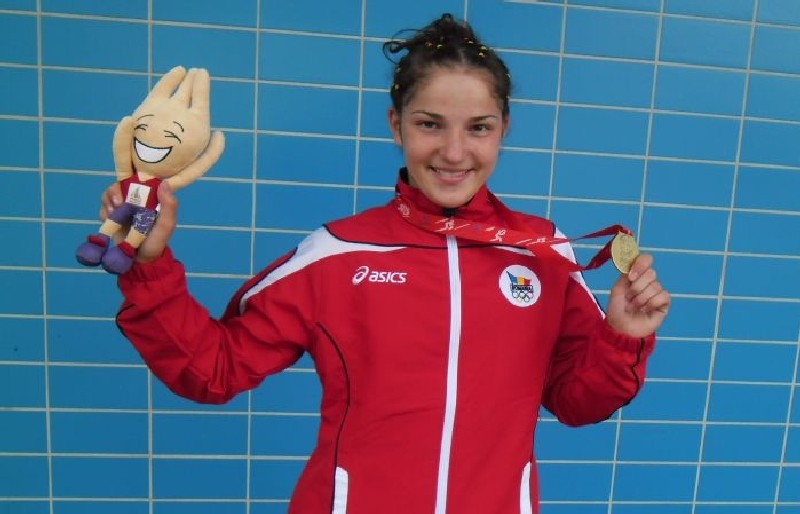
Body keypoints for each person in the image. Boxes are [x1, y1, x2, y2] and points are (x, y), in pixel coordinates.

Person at [105, 13, 670, 514]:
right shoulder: (337, 255)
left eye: (478, 127)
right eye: (430, 123)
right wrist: (150, 266)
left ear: (504, 129)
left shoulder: (541, 251)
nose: (454, 152)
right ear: (396, 125)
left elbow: (577, 402)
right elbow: (213, 370)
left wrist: (622, 336)